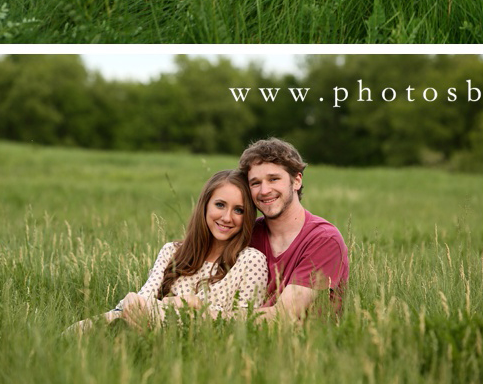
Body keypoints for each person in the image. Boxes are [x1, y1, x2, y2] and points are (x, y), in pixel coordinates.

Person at [68, 169, 267, 331]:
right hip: (146, 321)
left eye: (238, 210)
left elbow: (246, 321)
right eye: (220, 205)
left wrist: (194, 306)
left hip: (193, 335)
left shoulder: (251, 260)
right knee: (80, 329)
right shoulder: (173, 251)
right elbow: (146, 294)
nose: (227, 217)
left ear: (248, 216)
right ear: (205, 206)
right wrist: (132, 300)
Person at [238, 137, 350, 321]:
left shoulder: (324, 240)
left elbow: (284, 316)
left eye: (273, 179)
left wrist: (204, 314)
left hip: (305, 346)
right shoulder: (248, 235)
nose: (264, 190)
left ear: (296, 180)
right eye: (255, 183)